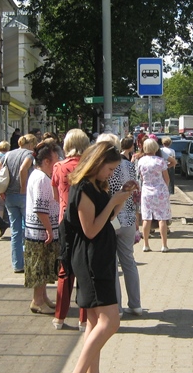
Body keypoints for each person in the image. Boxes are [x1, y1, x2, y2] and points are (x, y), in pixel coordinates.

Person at [59, 141, 136, 373]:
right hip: (91, 262)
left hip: (100, 259)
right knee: (111, 321)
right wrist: (113, 202)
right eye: (110, 168)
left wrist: (119, 199)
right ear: (96, 163)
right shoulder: (82, 189)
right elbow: (90, 230)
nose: (111, 174)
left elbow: (106, 219)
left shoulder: (95, 186)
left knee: (94, 322)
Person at [97, 133, 142, 317]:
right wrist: (137, 216)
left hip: (110, 219)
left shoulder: (104, 168)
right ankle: (136, 304)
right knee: (129, 261)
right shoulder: (129, 165)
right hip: (129, 219)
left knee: (112, 265)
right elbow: (136, 192)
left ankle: (117, 308)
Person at [51, 129, 90, 330]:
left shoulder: (59, 167)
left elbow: (56, 197)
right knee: (84, 269)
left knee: (65, 269)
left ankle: (60, 317)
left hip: (65, 221)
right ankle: (84, 320)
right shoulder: (91, 167)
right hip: (87, 221)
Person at [24, 140, 60, 314]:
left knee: (44, 266)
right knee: (40, 266)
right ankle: (38, 300)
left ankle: (42, 297)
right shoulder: (41, 179)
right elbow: (40, 208)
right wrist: (49, 230)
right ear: (46, 161)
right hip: (40, 231)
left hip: (39, 230)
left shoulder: (39, 176)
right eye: (55, 159)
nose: (58, 162)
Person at [0, 133, 37, 272]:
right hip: (24, 196)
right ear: (31, 144)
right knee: (28, 229)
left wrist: (1, 189)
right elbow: (23, 169)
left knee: (15, 231)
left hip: (9, 196)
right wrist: (23, 187)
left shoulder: (8, 154)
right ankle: (28, 261)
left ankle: (17, 264)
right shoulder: (30, 154)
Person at [136, 138, 172, 252]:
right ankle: (164, 245)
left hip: (146, 191)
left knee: (146, 218)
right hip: (160, 191)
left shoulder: (141, 161)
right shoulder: (160, 161)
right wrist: (164, 188)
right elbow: (167, 178)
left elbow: (141, 177)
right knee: (162, 219)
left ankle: (146, 245)